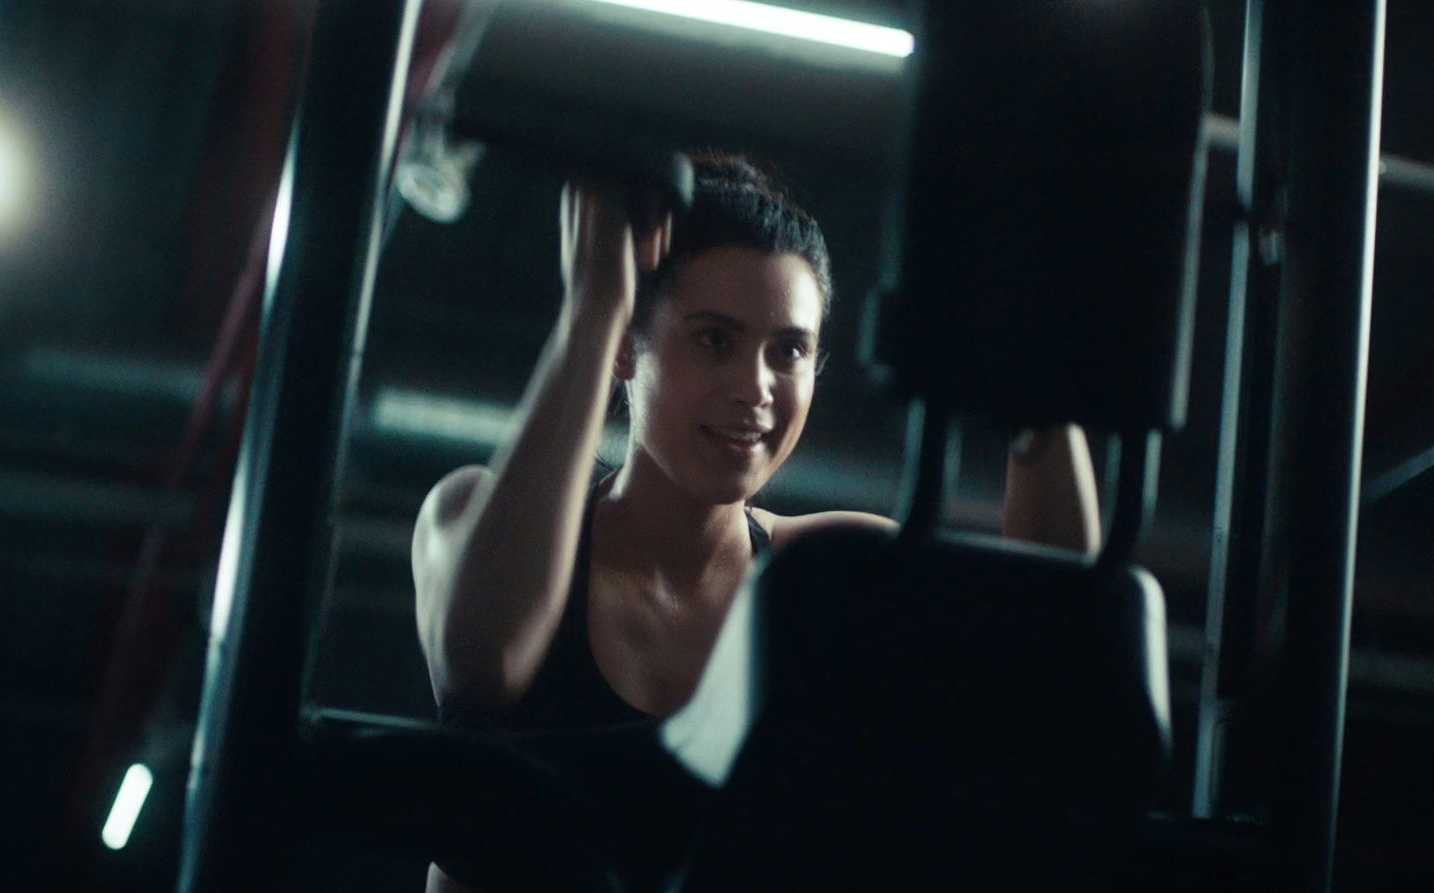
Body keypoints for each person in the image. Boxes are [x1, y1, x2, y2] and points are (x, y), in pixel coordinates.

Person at [410, 153, 1101, 891]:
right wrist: (594, 305)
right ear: (625, 346)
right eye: (714, 339)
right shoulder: (468, 514)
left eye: (789, 350)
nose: (756, 387)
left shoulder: (832, 577)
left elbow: (1054, 640)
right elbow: (486, 661)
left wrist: (1041, 382)